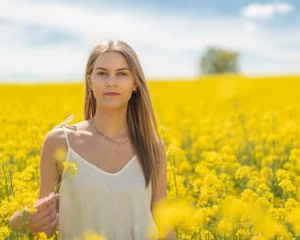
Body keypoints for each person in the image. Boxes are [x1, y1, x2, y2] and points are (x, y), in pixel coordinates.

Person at [9, 40, 177, 240]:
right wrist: (19, 221)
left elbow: (162, 223)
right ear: (89, 81)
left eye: (122, 73)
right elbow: (47, 226)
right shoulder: (60, 142)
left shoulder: (153, 147)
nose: (111, 82)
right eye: (102, 73)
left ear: (135, 84)